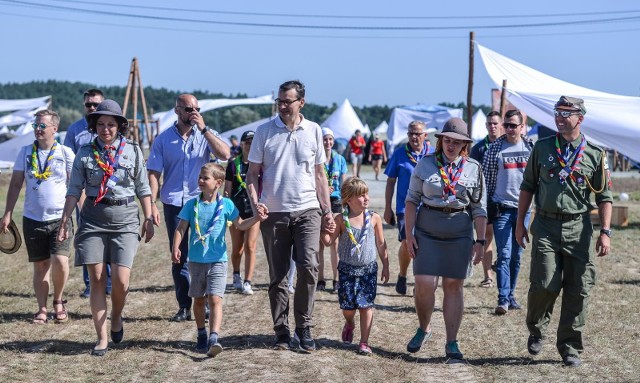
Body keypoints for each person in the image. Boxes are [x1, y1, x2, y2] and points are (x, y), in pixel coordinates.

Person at [516, 96, 612, 368]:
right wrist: (519, 222)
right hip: (545, 225)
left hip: (579, 227)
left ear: (580, 118)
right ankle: (536, 330)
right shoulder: (543, 148)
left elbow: (605, 197)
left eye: (566, 113)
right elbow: (528, 186)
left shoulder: (595, 154)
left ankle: (570, 347)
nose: (559, 117)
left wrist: (605, 231)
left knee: (579, 288)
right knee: (544, 282)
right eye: (557, 112)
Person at [57, 100, 154, 356]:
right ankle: (101, 338)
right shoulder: (85, 153)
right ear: (94, 126)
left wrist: (149, 217)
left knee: (121, 281)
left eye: (111, 124)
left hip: (125, 220)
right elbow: (73, 190)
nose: (105, 129)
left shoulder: (132, 151)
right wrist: (65, 219)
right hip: (93, 220)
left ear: (119, 126)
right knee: (98, 279)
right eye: (100, 124)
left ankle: (117, 316)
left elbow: (143, 188)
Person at [246, 80, 334, 352]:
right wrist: (255, 203)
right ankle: (281, 331)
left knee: (309, 267)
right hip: (274, 212)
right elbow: (252, 174)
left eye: (288, 101)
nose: (283, 106)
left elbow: (320, 175)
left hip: (308, 209)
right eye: (280, 102)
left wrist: (327, 210)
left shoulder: (314, 130)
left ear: (301, 103)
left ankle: (304, 327)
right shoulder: (264, 132)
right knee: (279, 275)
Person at [404, 117, 486, 360]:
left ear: (465, 145)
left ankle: (452, 343)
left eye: (457, 142)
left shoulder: (473, 167)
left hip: (459, 232)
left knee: (453, 286)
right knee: (424, 283)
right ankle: (424, 328)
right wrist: (408, 235)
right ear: (440, 141)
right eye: (447, 140)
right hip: (427, 230)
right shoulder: (425, 164)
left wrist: (480, 241)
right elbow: (411, 200)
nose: (451, 146)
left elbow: (479, 209)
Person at [147, 94, 230, 322]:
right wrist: (152, 203)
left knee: (204, 253)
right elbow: (153, 173)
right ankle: (185, 305)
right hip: (174, 202)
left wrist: (203, 129)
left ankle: (203, 303)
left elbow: (225, 155)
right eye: (187, 109)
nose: (192, 113)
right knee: (179, 256)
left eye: (196, 108)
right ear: (177, 110)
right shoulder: (163, 140)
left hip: (201, 203)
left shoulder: (205, 134)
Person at [172, 163, 265, 357]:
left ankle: (214, 337)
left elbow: (240, 225)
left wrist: (256, 218)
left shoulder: (227, 205)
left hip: (218, 261)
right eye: (200, 177)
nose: (200, 181)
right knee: (198, 300)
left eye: (205, 178)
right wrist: (176, 247)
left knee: (215, 299)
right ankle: (201, 334)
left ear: (218, 183)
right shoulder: (192, 205)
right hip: (196, 261)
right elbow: (181, 228)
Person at [1, 110, 75, 324]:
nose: (37, 129)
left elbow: (75, 187)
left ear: (54, 128)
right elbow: (15, 185)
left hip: (60, 218)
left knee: (60, 260)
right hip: (32, 218)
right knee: (41, 265)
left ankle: (58, 301)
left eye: (42, 125)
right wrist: (7, 213)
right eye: (36, 125)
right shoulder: (25, 152)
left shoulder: (65, 152)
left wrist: (82, 214)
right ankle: (41, 308)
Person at [321, 177, 389, 355]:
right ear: (348, 200)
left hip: (368, 270)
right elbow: (328, 242)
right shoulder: (341, 219)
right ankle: (350, 323)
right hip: (346, 270)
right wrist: (324, 228)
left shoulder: (374, 218)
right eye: (361, 195)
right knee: (348, 308)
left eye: (367, 194)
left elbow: (381, 244)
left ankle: (364, 342)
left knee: (366, 306)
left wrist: (386, 264)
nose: (366, 198)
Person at [483, 110, 534, 315]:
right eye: (507, 125)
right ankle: (502, 299)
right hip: (502, 207)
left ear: (522, 127)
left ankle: (511, 295)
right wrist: (484, 208)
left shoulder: (531, 147)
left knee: (517, 255)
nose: (510, 129)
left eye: (514, 125)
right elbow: (485, 181)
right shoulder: (494, 148)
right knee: (504, 254)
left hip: (525, 209)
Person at [63, 88, 112, 298]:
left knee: (111, 238)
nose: (92, 108)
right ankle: (91, 284)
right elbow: (69, 166)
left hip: (110, 192)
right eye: (89, 105)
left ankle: (109, 282)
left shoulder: (111, 128)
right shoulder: (75, 131)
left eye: (96, 105)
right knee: (87, 238)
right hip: (85, 193)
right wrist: (79, 197)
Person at [383, 120, 434, 295]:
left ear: (425, 136)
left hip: (429, 207)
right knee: (407, 242)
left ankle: (419, 282)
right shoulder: (399, 154)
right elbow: (390, 182)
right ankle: (403, 275)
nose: (414, 137)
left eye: (418, 133)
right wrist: (388, 208)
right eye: (411, 133)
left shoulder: (433, 154)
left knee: (425, 246)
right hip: (405, 208)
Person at [224, 130, 261, 295]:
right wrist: (226, 209)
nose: (250, 145)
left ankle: (248, 281)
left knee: (250, 246)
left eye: (253, 142)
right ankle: (236, 275)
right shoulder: (233, 164)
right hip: (236, 210)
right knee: (237, 248)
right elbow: (227, 190)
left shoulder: (260, 163)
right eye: (247, 142)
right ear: (242, 144)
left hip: (253, 210)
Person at [470, 110, 503, 289]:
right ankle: (488, 275)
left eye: (495, 123)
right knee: (487, 237)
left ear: (501, 125)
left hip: (506, 199)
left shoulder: (507, 145)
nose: (492, 126)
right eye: (489, 123)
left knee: (508, 238)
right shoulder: (479, 148)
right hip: (487, 199)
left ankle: (501, 264)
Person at [317, 127, 348, 292]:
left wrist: (345, 202)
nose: (327, 142)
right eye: (324, 139)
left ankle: (336, 280)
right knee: (319, 242)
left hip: (336, 201)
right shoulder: (316, 159)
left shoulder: (340, 159)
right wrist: (321, 190)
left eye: (330, 139)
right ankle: (320, 280)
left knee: (335, 241)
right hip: (318, 201)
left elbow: (343, 184)